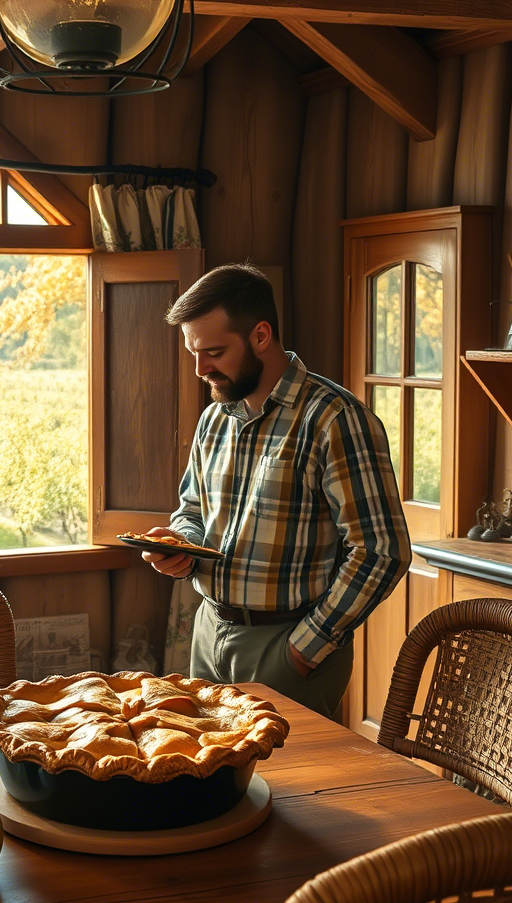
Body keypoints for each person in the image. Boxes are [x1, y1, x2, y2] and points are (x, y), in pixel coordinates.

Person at [144, 264, 411, 718]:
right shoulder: (214, 419)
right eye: (193, 353)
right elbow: (191, 510)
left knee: (291, 790)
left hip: (288, 648)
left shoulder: (335, 419)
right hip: (208, 635)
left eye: (213, 352)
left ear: (261, 336)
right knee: (210, 785)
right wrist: (180, 544)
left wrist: (306, 648)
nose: (199, 369)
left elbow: (382, 551)